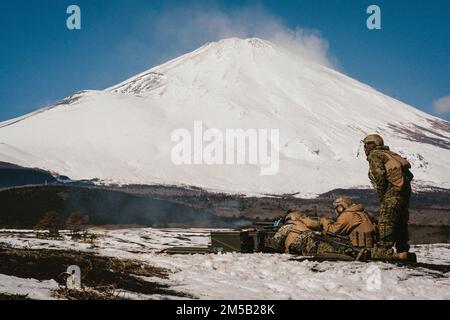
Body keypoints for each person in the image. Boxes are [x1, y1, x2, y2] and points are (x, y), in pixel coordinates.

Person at [362, 134, 414, 260]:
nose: (364, 148)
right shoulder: (390, 154)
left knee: (386, 220)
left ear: (373, 145)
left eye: (366, 144)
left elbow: (380, 177)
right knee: (400, 222)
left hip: (392, 192)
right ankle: (403, 251)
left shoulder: (375, 155)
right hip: (404, 193)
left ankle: (383, 250)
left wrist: (383, 196)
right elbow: (409, 175)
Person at [269, 211, 348, 256]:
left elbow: (275, 243)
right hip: (309, 245)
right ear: (300, 218)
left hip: (301, 247)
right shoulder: (292, 225)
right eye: (305, 217)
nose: (308, 218)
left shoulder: (287, 226)